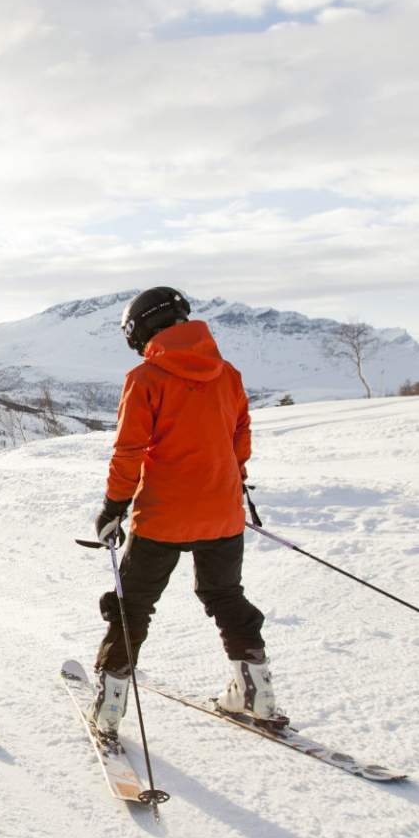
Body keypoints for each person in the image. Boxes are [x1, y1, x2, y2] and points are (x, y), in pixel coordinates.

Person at [88, 286, 285, 735]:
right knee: (224, 596)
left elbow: (129, 452)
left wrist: (112, 508)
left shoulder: (146, 378)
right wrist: (229, 484)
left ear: (141, 329)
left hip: (163, 516)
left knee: (132, 605)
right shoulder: (228, 374)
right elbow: (240, 440)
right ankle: (256, 693)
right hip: (222, 513)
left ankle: (110, 706)